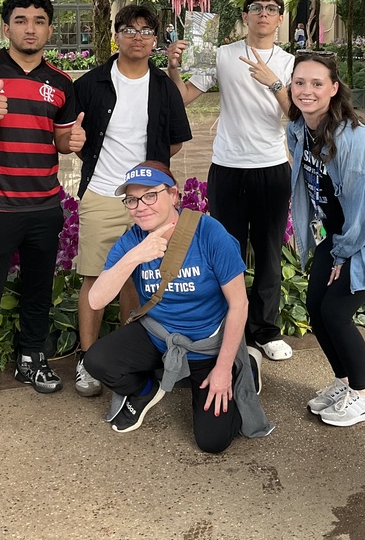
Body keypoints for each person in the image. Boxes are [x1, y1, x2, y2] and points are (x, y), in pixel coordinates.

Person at [0, 0, 85, 406]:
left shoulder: (60, 82)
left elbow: (61, 139)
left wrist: (72, 139)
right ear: (7, 27)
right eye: (22, 20)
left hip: (45, 205)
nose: (31, 28)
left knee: (39, 288)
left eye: (39, 21)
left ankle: (32, 358)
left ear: (49, 29)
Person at [83, 162, 273, 451]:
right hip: (157, 334)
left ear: (173, 195)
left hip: (206, 344)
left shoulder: (209, 233)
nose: (140, 206)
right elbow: (96, 300)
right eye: (132, 199)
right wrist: (135, 257)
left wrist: (223, 369)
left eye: (150, 195)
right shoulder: (133, 240)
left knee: (213, 441)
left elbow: (239, 304)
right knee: (97, 360)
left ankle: (244, 364)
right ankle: (145, 391)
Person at [167, 0, 294, 361]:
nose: (263, 14)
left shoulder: (289, 63)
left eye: (271, 9)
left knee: (270, 253)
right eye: (256, 8)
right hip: (227, 168)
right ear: (245, 16)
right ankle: (227, 328)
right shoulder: (223, 55)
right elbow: (182, 97)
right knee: (227, 252)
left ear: (280, 18)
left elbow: (295, 114)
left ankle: (265, 331)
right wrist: (174, 67)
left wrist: (273, 82)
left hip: (271, 166)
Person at [73, 4, 192, 398]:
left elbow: (173, 140)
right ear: (116, 35)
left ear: (155, 40)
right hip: (104, 193)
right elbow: (78, 139)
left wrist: (149, 181)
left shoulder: (163, 88)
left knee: (137, 278)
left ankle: (127, 356)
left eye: (146, 30)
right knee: (95, 274)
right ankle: (87, 359)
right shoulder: (91, 84)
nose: (138, 36)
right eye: (129, 29)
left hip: (150, 200)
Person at [287, 52, 365, 426]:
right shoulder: (300, 128)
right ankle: (344, 382)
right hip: (341, 233)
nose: (307, 90)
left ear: (334, 88)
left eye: (317, 83)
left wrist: (342, 255)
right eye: (299, 82)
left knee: (336, 313)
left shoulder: (351, 138)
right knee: (315, 306)